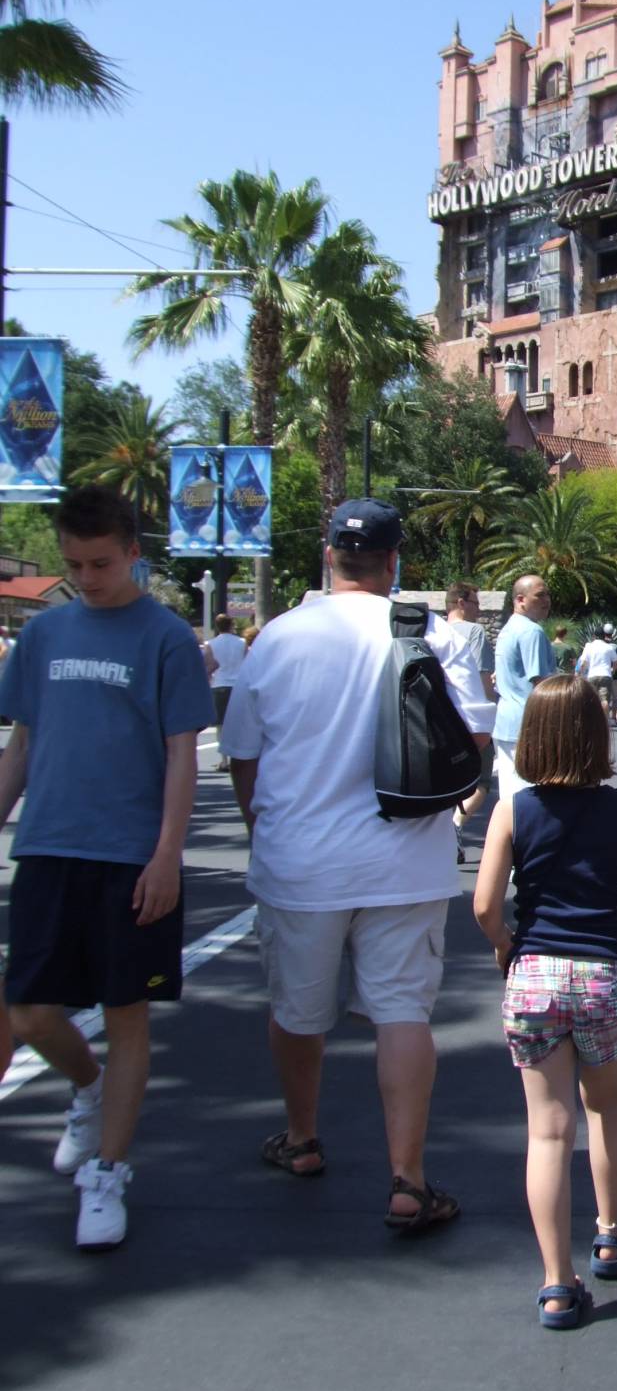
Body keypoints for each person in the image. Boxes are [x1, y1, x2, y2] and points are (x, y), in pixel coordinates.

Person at [221, 498, 480, 1234]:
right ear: (396, 561)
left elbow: (244, 752)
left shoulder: (277, 637)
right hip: (406, 858)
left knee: (297, 1012)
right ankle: (408, 1179)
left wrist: (260, 824)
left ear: (328, 555)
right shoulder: (424, 633)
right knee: (402, 1012)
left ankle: (302, 1138)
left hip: (301, 863)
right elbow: (472, 739)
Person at [0, 487, 213, 1249]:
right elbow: (21, 743)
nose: (86, 577)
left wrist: (166, 855)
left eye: (98, 562)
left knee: (128, 1018)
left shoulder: (165, 638)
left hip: (129, 857)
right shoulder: (44, 635)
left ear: (132, 551)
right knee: (26, 1011)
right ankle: (85, 1089)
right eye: (73, 564)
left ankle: (107, 1175)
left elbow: (184, 755)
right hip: (49, 848)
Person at [473, 675, 617, 1330]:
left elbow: (486, 904)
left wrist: (505, 945)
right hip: (603, 971)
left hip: (537, 975)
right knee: (606, 1108)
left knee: (548, 1129)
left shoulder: (511, 811)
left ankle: (557, 1282)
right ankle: (610, 1233)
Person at [445, 584, 498, 856]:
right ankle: (456, 823)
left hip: (441, 720)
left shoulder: (435, 632)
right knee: (482, 782)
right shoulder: (474, 632)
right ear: (462, 602)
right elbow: (482, 677)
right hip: (470, 719)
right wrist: (490, 713)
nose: (478, 609)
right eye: (476, 603)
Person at [494, 575, 555, 796]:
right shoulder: (531, 631)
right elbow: (541, 684)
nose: (546, 600)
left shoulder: (509, 628)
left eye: (547, 594)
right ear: (520, 599)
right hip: (528, 725)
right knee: (530, 797)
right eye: (539, 595)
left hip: (505, 723)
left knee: (510, 796)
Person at [204, 612, 247, 772]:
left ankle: (223, 760)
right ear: (231, 625)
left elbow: (208, 665)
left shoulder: (211, 644)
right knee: (238, 724)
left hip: (219, 684)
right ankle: (239, 758)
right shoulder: (241, 643)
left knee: (220, 726)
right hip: (238, 686)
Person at [575, 625, 617, 714]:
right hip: (606, 675)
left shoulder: (589, 647)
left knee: (591, 699)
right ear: (604, 636)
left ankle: (592, 720)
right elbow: (616, 662)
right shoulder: (609, 647)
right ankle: (605, 722)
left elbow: (583, 663)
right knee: (604, 700)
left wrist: (581, 674)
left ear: (594, 636)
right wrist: (612, 671)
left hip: (592, 675)